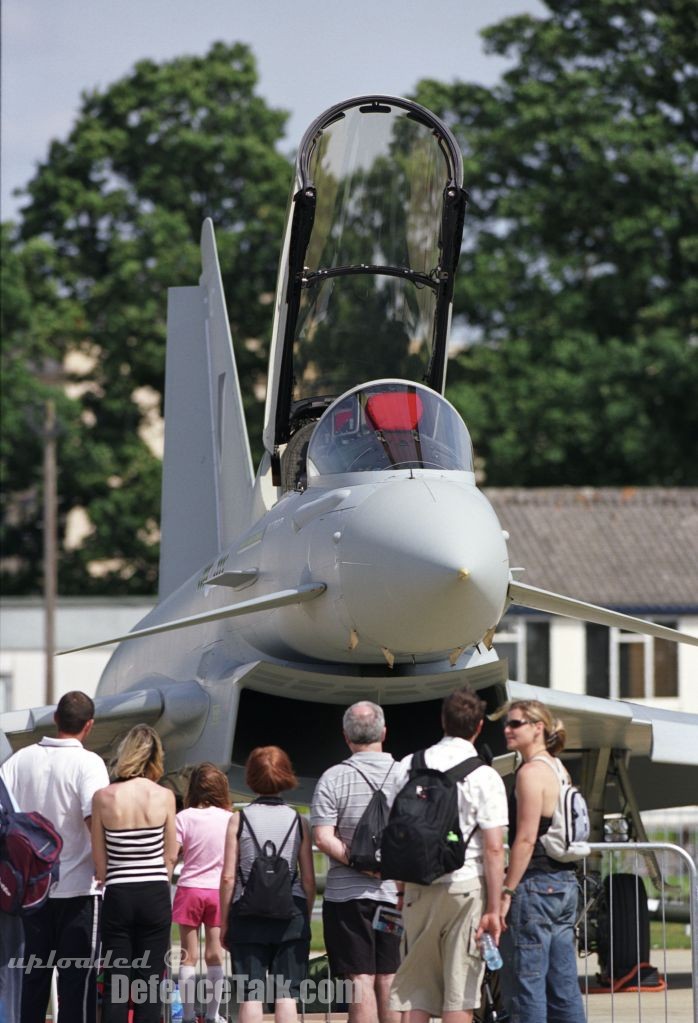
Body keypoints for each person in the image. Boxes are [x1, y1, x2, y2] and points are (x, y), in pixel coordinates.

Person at [389, 685, 507, 1023]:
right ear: (479, 726)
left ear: (442, 720)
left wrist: (400, 890)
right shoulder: (485, 776)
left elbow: (398, 831)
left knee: (417, 995)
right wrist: (495, 909)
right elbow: (495, 848)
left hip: (417, 887)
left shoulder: (408, 765)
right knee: (460, 993)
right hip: (466, 887)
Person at [0, 690, 109, 1023]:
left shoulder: (20, 760)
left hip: (32, 890)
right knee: (77, 980)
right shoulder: (89, 763)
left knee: (34, 978)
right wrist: (105, 868)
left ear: (56, 719)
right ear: (88, 726)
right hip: (79, 888)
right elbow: (96, 820)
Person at [311, 701, 401, 1023]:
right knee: (389, 975)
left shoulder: (333, 778)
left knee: (359, 979)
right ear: (384, 733)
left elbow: (322, 837)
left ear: (346, 736)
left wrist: (358, 862)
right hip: (391, 897)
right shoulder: (405, 775)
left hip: (348, 901)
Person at [497, 700, 586, 1023]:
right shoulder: (557, 767)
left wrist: (507, 892)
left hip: (536, 887)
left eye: (516, 723)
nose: (507, 729)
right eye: (507, 724)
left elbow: (525, 838)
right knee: (563, 987)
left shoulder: (531, 772)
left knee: (526, 986)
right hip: (564, 886)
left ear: (538, 728)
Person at [220, 746, 315, 1023]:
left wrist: (226, 921)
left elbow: (228, 877)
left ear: (250, 777)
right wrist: (304, 915)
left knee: (251, 992)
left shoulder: (238, 820)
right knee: (287, 992)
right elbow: (308, 878)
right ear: (287, 775)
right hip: (291, 912)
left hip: (247, 913)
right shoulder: (300, 821)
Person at [91, 723, 177, 1023]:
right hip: (154, 892)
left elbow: (100, 865)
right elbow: (171, 853)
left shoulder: (103, 797)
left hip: (119, 893)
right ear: (155, 757)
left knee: (116, 982)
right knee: (150, 984)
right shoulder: (165, 796)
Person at [173, 762, 233, 1023]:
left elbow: (172, 853)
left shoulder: (183, 817)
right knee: (215, 954)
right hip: (218, 890)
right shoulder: (230, 818)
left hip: (189, 888)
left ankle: (187, 1016)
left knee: (188, 955)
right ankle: (212, 1014)